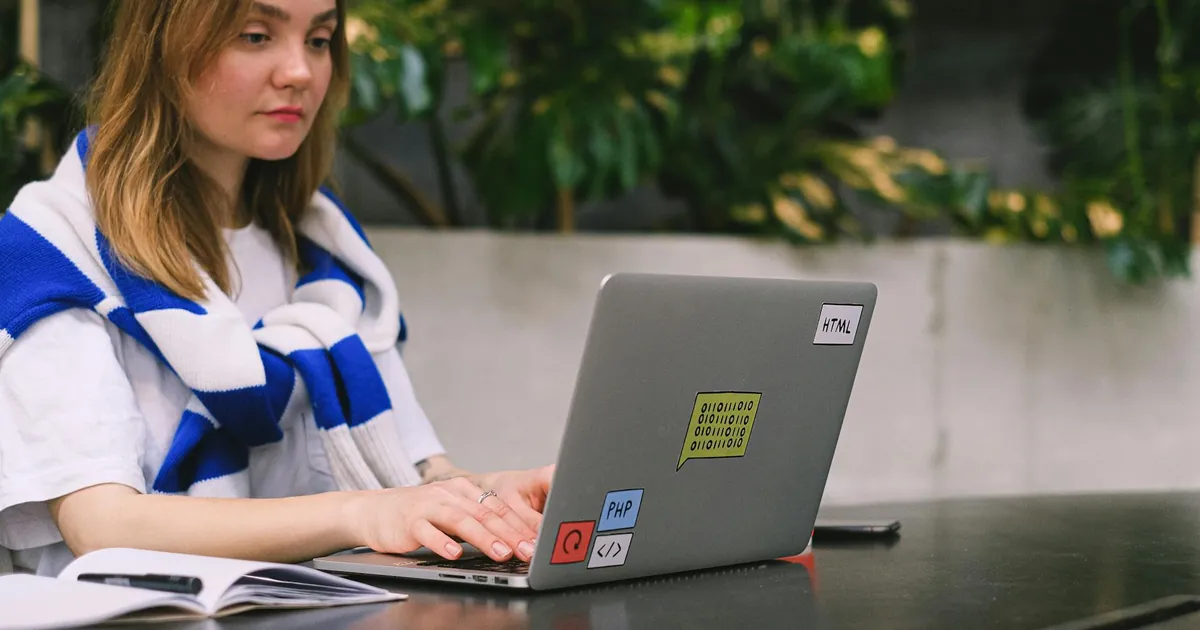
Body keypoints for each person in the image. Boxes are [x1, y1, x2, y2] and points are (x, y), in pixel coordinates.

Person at [0, 0, 552, 577]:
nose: (300, 72)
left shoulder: (323, 247)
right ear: (163, 46)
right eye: (257, 36)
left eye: (319, 40)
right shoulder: (54, 248)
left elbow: (416, 473)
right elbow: (102, 526)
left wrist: (496, 496)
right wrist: (360, 514)